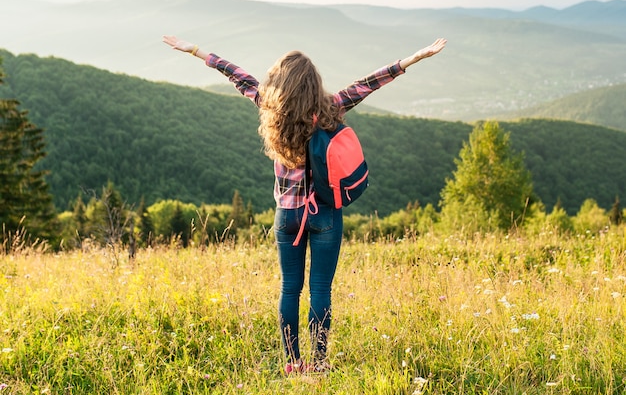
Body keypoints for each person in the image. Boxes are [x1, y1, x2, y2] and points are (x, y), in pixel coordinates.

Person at [162, 34, 447, 375]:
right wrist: (412, 59)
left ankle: (292, 362)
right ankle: (320, 363)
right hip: (324, 214)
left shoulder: (270, 107)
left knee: (289, 288)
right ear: (313, 84)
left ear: (280, 82)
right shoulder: (328, 109)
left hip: (287, 216)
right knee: (320, 290)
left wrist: (196, 51)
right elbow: (367, 84)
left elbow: (238, 76)